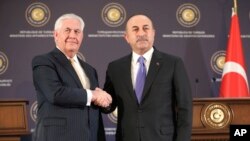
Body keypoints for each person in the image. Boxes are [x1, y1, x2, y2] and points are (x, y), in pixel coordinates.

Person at [103, 14, 193, 141]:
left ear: (153, 33)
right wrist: (101, 100)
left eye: (146, 28)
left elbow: (185, 107)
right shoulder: (115, 68)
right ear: (126, 37)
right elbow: (109, 105)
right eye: (135, 29)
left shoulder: (173, 63)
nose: (141, 33)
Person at [32, 13, 111, 141]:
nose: (72, 35)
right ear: (56, 35)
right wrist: (93, 95)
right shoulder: (44, 61)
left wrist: (105, 100)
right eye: (67, 30)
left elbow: (94, 102)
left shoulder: (90, 70)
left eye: (77, 31)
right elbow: (55, 94)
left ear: (82, 36)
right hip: (58, 136)